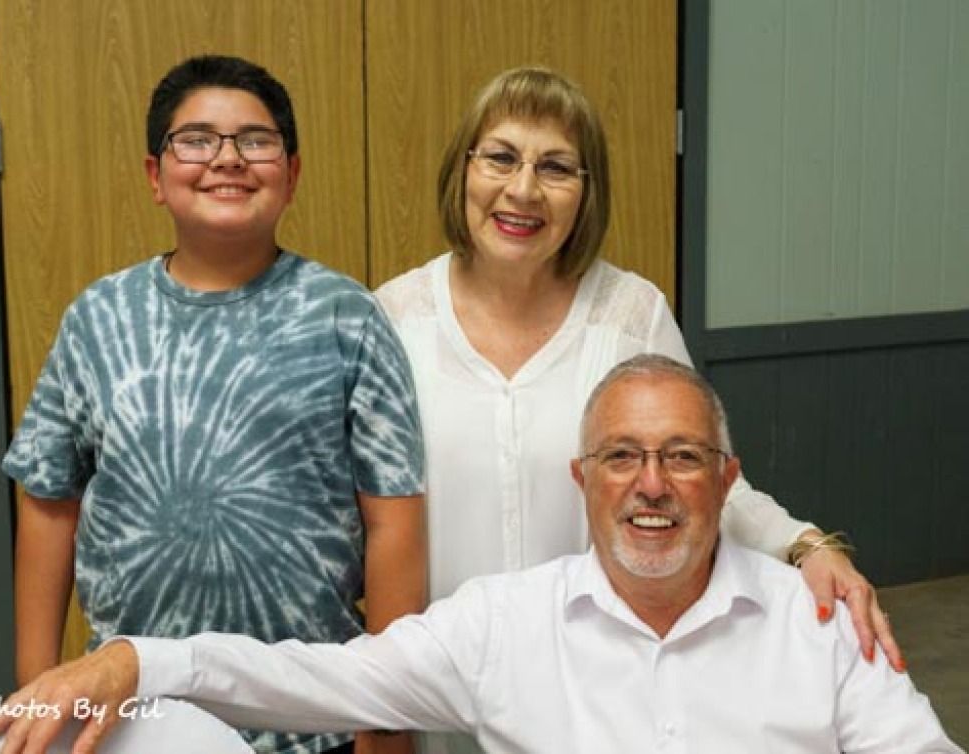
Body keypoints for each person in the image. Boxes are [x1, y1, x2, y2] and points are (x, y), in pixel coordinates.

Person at [0, 355, 961, 754]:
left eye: (681, 457)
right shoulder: (504, 624)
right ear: (583, 477)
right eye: (622, 456)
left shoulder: (817, 623)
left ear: (724, 476)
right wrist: (132, 658)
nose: (650, 483)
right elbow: (312, 679)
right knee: (160, 732)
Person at [374, 64, 899, 662]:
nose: (523, 189)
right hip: (440, 684)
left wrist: (808, 546)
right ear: (462, 170)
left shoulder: (631, 315)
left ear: (587, 191)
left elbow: (699, 479)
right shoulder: (393, 319)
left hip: (599, 682)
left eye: (555, 166)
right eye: (500, 157)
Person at [0, 54, 426, 754]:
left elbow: (394, 523)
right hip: (131, 719)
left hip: (312, 720)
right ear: (155, 176)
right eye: (195, 140)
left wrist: (386, 714)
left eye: (254, 141)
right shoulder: (99, 318)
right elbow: (49, 502)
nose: (226, 159)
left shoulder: (346, 317)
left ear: (291, 173)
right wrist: (40, 687)